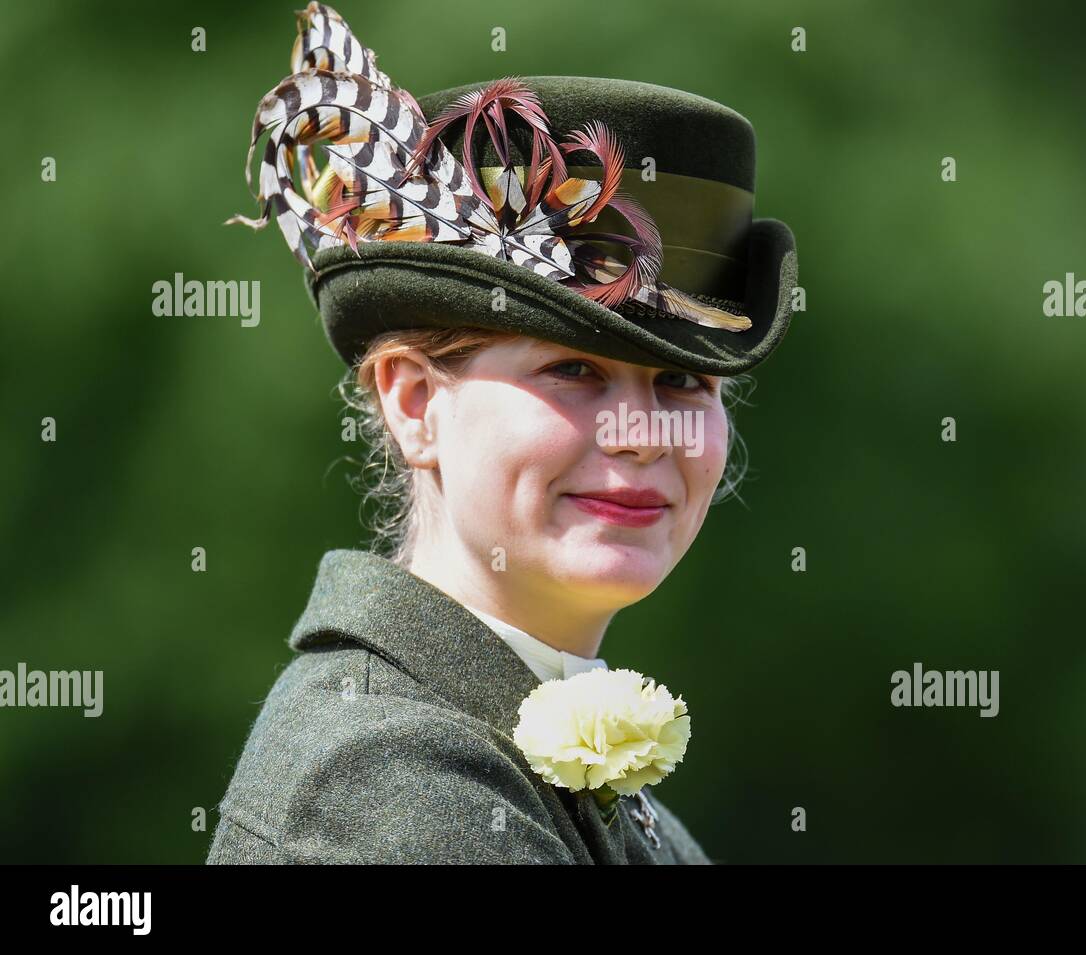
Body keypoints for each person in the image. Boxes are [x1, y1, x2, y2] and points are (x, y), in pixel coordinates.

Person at [206, 3, 797, 864]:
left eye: (682, 380)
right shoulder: (383, 781)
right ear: (414, 402)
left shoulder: (612, 807)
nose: (639, 431)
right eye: (573, 370)